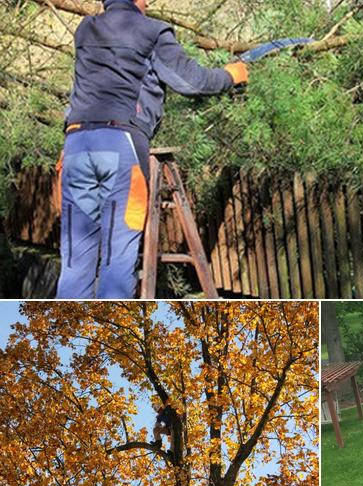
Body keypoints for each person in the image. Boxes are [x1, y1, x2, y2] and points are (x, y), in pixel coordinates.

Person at [56, 0, 249, 299]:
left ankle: (63, 342)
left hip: (76, 144)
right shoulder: (152, 31)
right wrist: (230, 76)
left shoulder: (86, 30)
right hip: (121, 147)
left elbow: (81, 88)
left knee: (74, 262)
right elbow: (191, 81)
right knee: (118, 257)